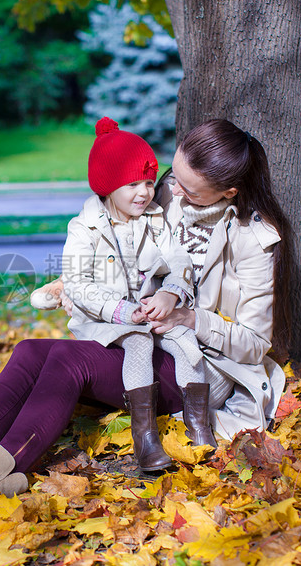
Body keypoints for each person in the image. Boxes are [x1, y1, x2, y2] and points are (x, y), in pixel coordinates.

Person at [0, 118, 291, 502]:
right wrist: (85, 286)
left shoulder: (254, 241)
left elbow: (254, 345)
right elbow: (119, 244)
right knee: (30, 350)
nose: (169, 190)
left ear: (228, 191)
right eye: (171, 176)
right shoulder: (164, 199)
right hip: (137, 334)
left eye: (186, 187)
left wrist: (187, 317)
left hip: (195, 366)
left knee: (68, 360)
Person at [61, 117, 215, 473]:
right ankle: (145, 439)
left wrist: (170, 295)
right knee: (140, 344)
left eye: (148, 182)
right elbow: (78, 283)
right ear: (107, 186)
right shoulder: (85, 227)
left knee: (186, 342)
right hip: (105, 320)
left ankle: (199, 427)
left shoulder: (155, 220)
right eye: (132, 184)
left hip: (150, 313)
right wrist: (121, 311)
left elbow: (178, 261)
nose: (144, 192)